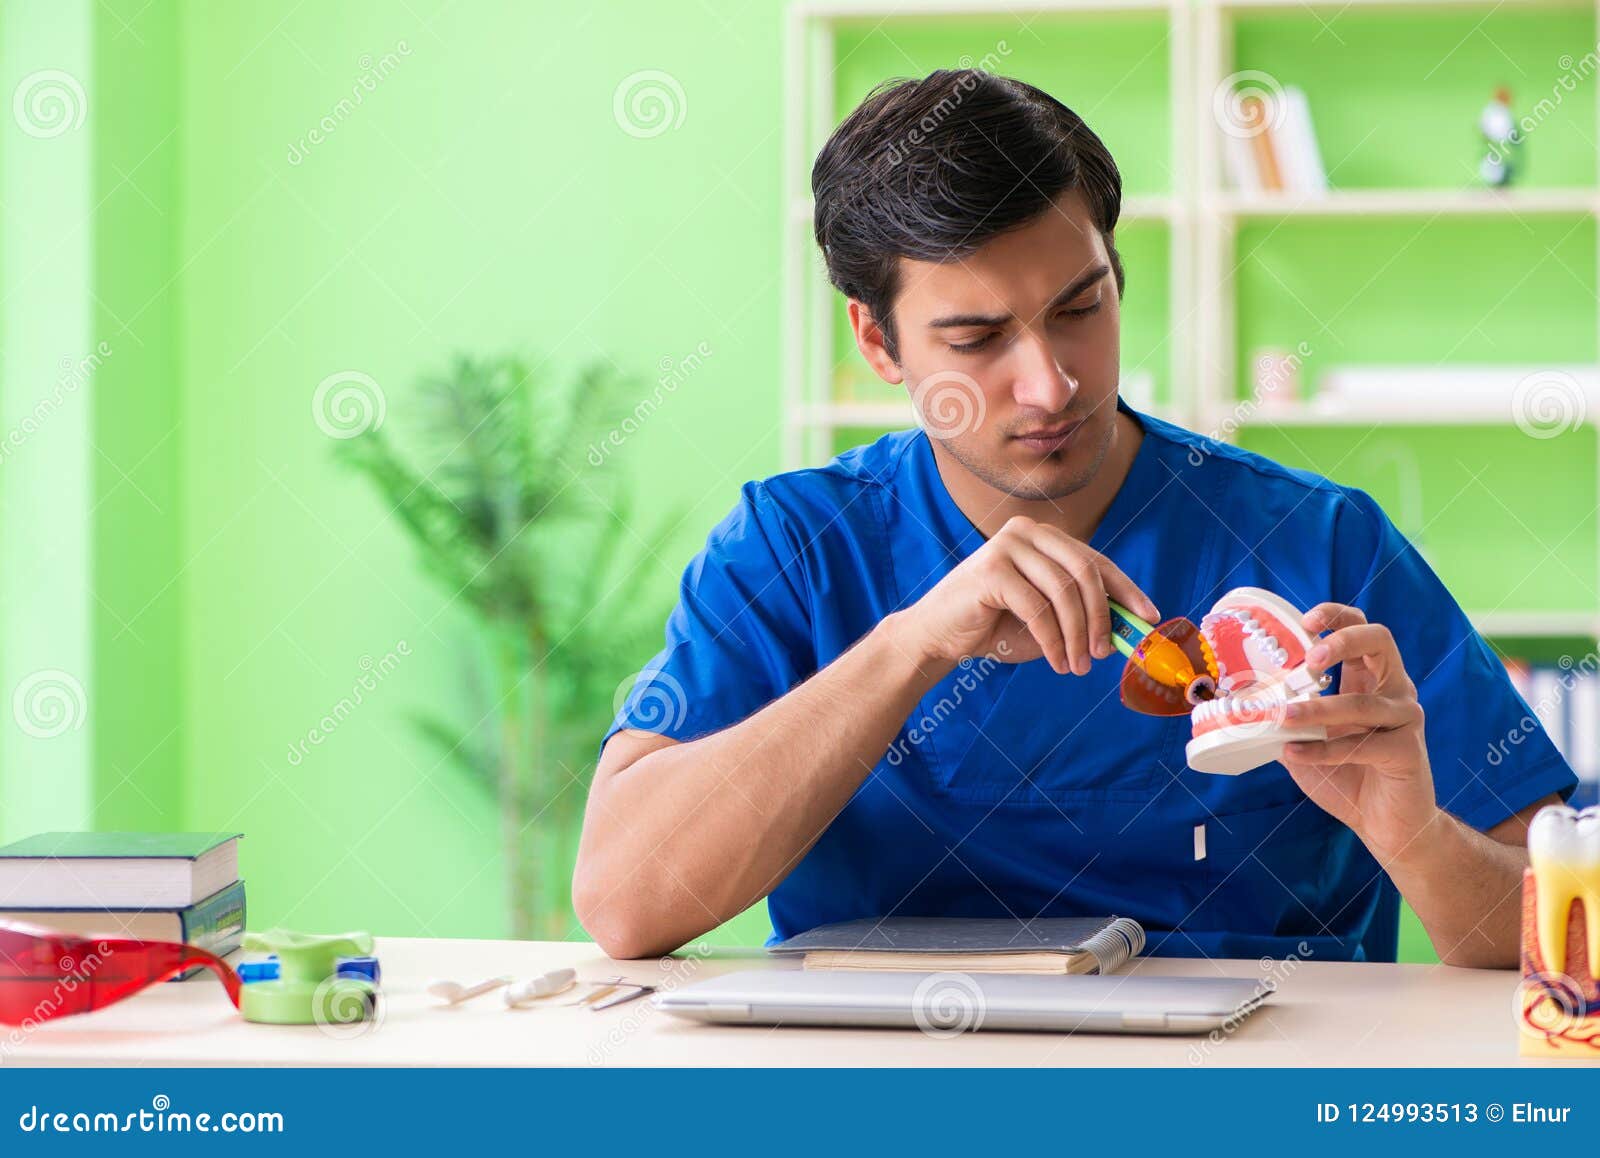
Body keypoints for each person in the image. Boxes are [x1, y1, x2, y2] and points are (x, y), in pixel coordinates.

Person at [573, 70, 1575, 965]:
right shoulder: (795, 549)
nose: (1049, 384)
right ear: (878, 342)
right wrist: (911, 647)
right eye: (976, 337)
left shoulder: (1319, 542)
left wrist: (1411, 838)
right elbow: (623, 904)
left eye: (1079, 308)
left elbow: (1569, 944)